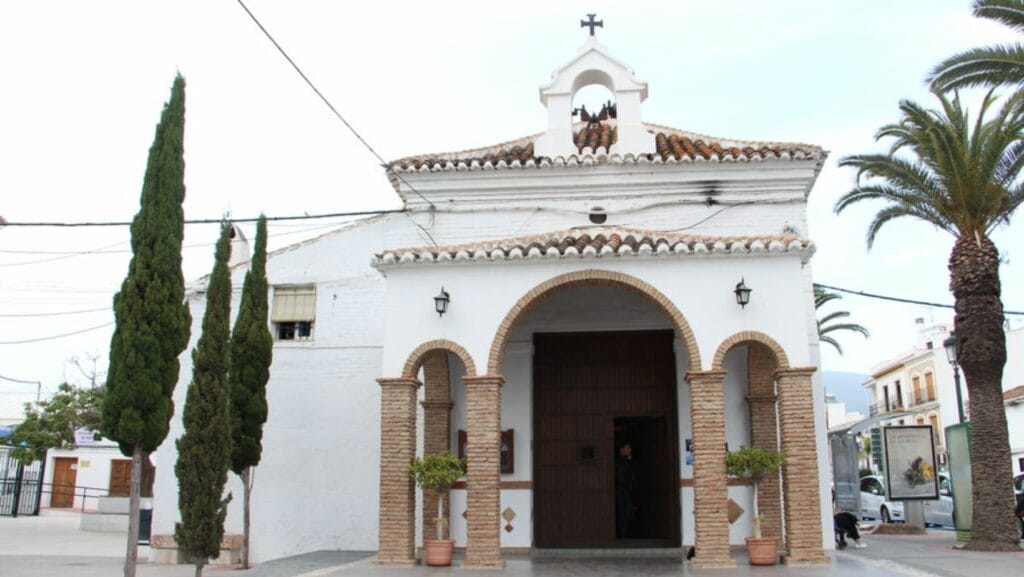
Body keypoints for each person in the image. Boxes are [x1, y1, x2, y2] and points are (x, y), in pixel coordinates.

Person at [615, 442, 635, 539]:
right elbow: (622, 478)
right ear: (621, 449)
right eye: (628, 447)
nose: (630, 449)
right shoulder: (621, 462)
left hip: (625, 491)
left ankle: (624, 535)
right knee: (624, 515)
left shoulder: (627, 461)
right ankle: (623, 536)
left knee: (626, 514)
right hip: (623, 492)